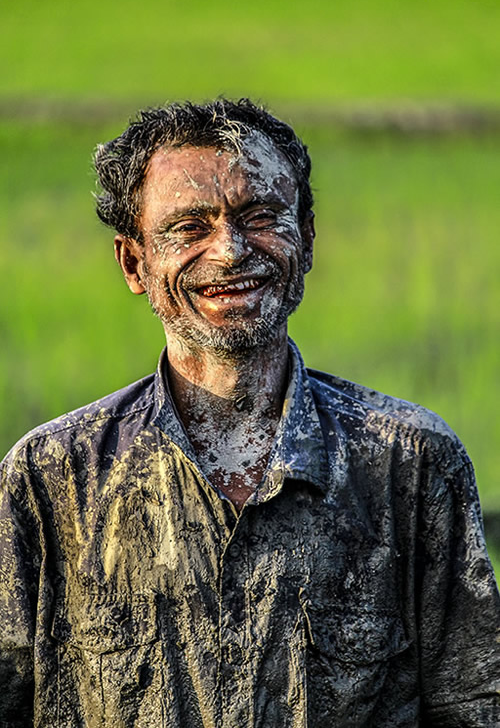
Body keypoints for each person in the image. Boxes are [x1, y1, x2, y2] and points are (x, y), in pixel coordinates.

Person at [0, 98, 498, 727]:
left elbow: (475, 706)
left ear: (308, 238)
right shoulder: (51, 479)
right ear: (134, 262)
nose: (231, 251)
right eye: (189, 227)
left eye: (261, 216)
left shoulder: (411, 464)